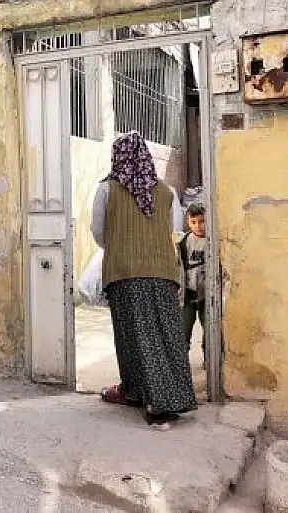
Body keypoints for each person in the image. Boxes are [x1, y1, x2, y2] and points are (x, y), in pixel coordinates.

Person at [90, 131, 198, 427]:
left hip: (124, 273)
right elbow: (173, 229)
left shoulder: (107, 189)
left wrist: (122, 243)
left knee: (132, 336)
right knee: (165, 335)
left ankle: (152, 400)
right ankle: (153, 394)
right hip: (163, 272)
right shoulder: (166, 192)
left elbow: (99, 232)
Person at [179, 203, 207, 358]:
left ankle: (209, 360)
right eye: (194, 222)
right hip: (188, 294)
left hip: (207, 295)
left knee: (210, 331)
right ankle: (181, 365)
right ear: (188, 222)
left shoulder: (213, 242)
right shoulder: (183, 242)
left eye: (202, 221)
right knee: (183, 330)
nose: (198, 226)